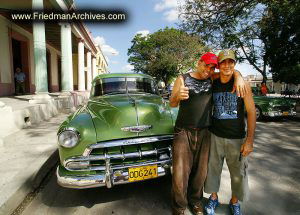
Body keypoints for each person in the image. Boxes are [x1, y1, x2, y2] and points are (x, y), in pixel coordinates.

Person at [169, 52, 247, 215]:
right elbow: (172, 103)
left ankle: (195, 201)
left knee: (201, 172)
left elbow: (230, 72)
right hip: (184, 131)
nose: (209, 70)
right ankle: (179, 207)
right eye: (206, 65)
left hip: (205, 131)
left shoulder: (211, 79)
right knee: (180, 172)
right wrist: (177, 95)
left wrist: (239, 76)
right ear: (199, 62)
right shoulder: (183, 78)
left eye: (213, 67)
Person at [204, 50, 256, 215]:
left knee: (238, 173)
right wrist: (239, 74)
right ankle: (213, 198)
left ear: (234, 63)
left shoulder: (243, 84)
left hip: (237, 138)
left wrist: (249, 141)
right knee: (212, 170)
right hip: (215, 135)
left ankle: (234, 202)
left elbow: (252, 112)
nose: (227, 65)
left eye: (231, 62)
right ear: (219, 65)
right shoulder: (213, 80)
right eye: (223, 62)